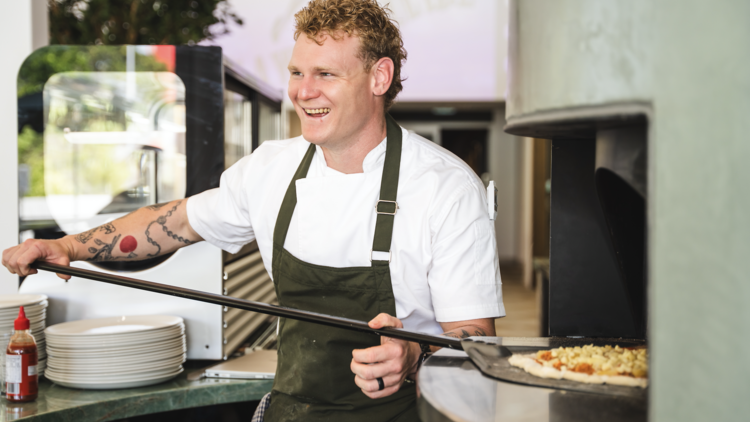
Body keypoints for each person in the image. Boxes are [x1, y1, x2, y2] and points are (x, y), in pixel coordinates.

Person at [2, 0, 504, 420]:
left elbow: (477, 338)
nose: (303, 92)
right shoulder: (271, 169)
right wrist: (66, 245)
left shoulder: (444, 187)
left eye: (325, 74)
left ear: (379, 76)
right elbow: (171, 223)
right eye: (296, 73)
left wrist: (413, 352)